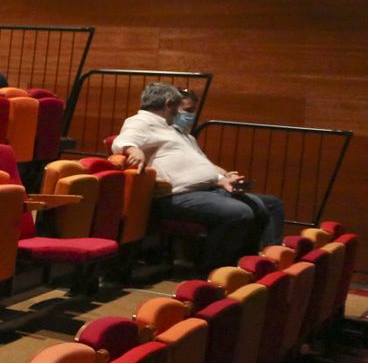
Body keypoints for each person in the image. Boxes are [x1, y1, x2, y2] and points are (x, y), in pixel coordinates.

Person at [114, 83, 286, 268]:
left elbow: (202, 165)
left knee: (265, 205)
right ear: (168, 103)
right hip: (177, 195)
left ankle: (256, 264)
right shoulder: (142, 121)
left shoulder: (174, 131)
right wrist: (132, 149)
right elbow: (122, 140)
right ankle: (216, 271)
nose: (181, 114)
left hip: (206, 190)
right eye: (178, 108)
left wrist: (223, 179)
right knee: (239, 212)